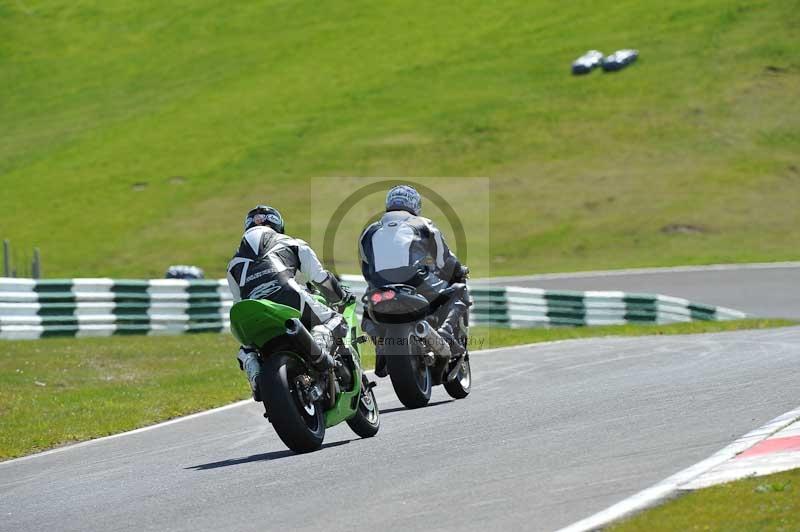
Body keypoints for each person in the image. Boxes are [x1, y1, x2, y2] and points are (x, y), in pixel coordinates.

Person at [227, 205, 350, 400]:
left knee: (248, 348)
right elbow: (320, 278)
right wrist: (340, 297)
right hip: (288, 296)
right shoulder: (292, 243)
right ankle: (320, 354)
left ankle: (255, 375)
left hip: (247, 312)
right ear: (278, 224)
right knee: (336, 320)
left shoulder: (233, 264)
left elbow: (238, 300)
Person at [359, 185, 470, 377]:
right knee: (459, 290)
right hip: (418, 283)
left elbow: (366, 267)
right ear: (415, 205)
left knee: (368, 313)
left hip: (380, 287)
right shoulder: (423, 224)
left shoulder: (368, 231)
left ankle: (381, 346)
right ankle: (444, 333)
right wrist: (460, 271)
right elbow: (445, 260)